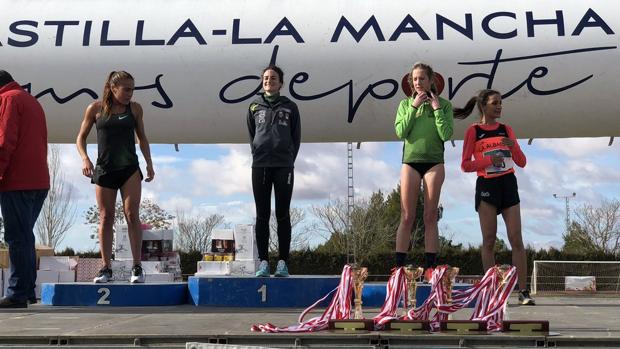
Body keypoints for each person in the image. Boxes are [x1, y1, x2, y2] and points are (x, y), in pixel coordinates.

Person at [457, 89, 535, 305]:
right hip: (487, 186)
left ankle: (523, 292)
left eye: (501, 103)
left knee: (516, 239)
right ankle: (492, 291)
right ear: (484, 106)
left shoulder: (506, 129)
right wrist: (489, 161)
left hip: (508, 184)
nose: (499, 106)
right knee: (489, 240)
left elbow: (522, 162)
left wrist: (513, 147)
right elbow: (465, 165)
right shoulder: (474, 131)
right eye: (495, 103)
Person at [76, 71, 154, 283]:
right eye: (126, 89)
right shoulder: (95, 109)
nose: (130, 93)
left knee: (131, 214)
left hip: (129, 168)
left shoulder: (135, 109)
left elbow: (142, 138)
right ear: (113, 88)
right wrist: (85, 159)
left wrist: (149, 163)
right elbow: (80, 138)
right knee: (105, 216)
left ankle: (137, 267)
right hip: (104, 169)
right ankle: (105, 267)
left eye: (132, 89)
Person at [394, 63, 453, 275]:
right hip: (410, 162)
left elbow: (446, 134)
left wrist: (436, 108)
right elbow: (401, 131)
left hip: (434, 162)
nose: (418, 82)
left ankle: (430, 268)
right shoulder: (404, 104)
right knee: (407, 215)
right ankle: (399, 267)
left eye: (422, 78)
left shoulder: (444, 105)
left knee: (430, 216)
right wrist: (413, 107)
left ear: (431, 81)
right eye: (415, 79)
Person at [0, 70, 50, 308]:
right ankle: (27, 291)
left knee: (17, 238)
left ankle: (18, 293)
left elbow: (4, 141)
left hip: (17, 180)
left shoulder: (8, 99)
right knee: (25, 236)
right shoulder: (31, 100)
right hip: (38, 179)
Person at [247, 65, 301, 277]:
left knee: (282, 214)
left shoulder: (290, 106)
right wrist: (259, 154)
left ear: (280, 82)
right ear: (262, 81)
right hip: (260, 165)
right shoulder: (253, 106)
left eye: (274, 78)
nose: (269, 80)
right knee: (262, 215)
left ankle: (282, 263)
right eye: (266, 78)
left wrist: (287, 158)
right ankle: (263, 262)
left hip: (284, 165)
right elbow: (252, 135)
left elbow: (296, 138)